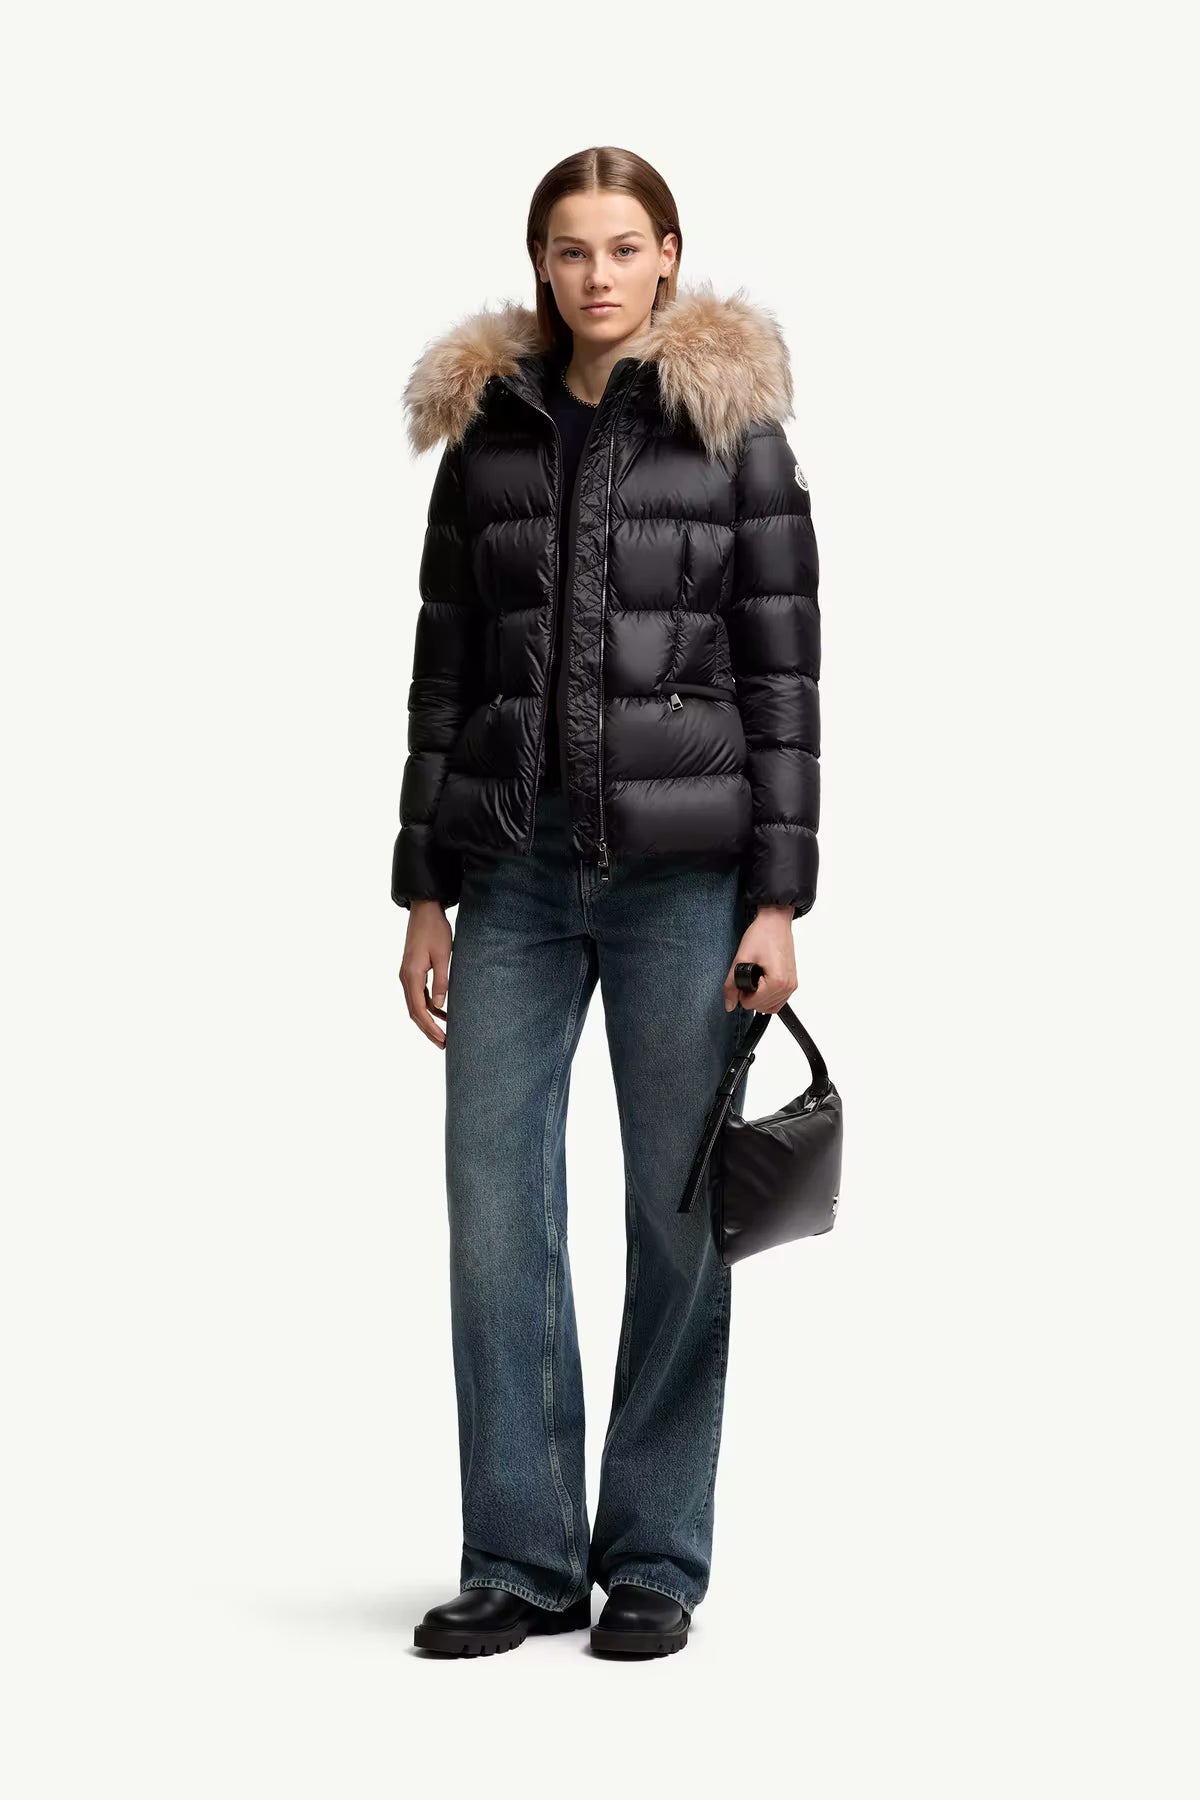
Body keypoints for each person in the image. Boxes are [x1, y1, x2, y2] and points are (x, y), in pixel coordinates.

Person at [393, 146, 821, 1658]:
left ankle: (652, 1556)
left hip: (683, 886)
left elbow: (783, 676)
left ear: (668, 256)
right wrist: (424, 888)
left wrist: (779, 899)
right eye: (571, 250)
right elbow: (444, 669)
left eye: (624, 247)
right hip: (509, 875)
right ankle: (520, 1559)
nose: (597, 276)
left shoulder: (734, 431)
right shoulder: (490, 435)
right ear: (542, 263)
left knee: (679, 1214)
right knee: (493, 1213)